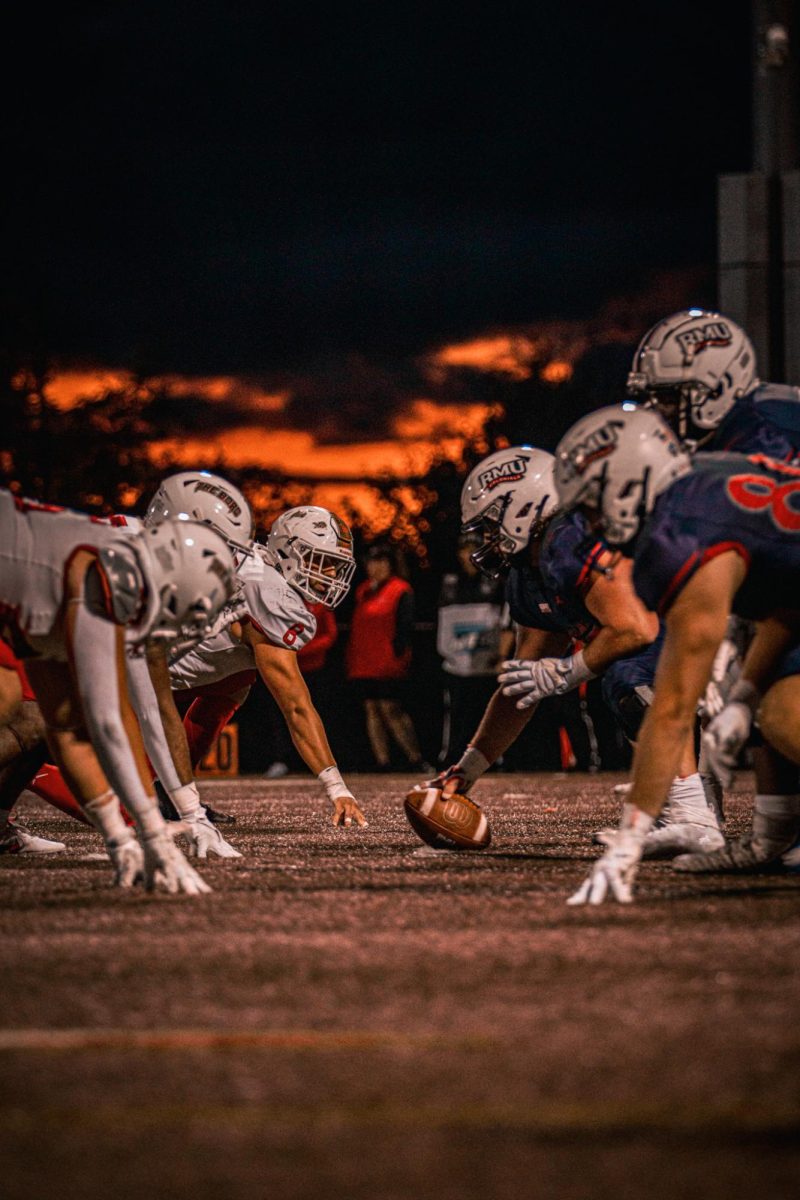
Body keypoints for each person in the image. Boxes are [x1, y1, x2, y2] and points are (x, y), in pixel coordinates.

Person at [553, 404, 800, 904]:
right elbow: (790, 601)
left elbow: (670, 711)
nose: (590, 524)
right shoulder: (705, 485)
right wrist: (745, 695)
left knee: (785, 714)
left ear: (628, 484)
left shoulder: (683, 534)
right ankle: (774, 838)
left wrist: (628, 842)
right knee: (769, 696)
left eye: (592, 505)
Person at [424, 445, 723, 858]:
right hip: (692, 631)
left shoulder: (570, 538)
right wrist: (466, 770)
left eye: (492, 522)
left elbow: (636, 629)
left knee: (630, 675)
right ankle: (692, 805)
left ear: (523, 506)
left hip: (728, 619)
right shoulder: (530, 573)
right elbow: (521, 685)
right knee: (630, 675)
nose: (487, 539)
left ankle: (694, 816)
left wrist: (568, 671)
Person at [626, 308, 800, 872]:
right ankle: (772, 835)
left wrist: (742, 683)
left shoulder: (767, 437)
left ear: (716, 388)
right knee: (758, 678)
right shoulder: (733, 435)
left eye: (672, 396)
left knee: (780, 706)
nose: (661, 413)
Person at [0, 488, 237, 893]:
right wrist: (155, 830)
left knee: (36, 715)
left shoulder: (100, 565)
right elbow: (127, 717)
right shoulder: (109, 576)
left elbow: (68, 729)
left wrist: (120, 836)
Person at [166, 506, 367, 828]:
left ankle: (169, 791)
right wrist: (337, 788)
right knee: (113, 800)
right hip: (132, 668)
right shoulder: (271, 593)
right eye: (323, 561)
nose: (330, 574)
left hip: (161, 666)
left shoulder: (258, 569)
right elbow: (297, 708)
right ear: (289, 552)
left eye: (335, 565)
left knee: (240, 678)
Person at [346, 543, 430, 773]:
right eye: (372, 562)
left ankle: (415, 758)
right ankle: (382, 761)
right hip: (364, 662)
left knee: (391, 709)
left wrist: (400, 654)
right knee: (371, 709)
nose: (376, 567)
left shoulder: (400, 589)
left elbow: (404, 627)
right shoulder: (363, 590)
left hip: (388, 661)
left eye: (382, 562)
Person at [436, 530, 508, 764]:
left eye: (474, 549)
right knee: (457, 714)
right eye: (465, 550)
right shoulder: (450, 582)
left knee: (489, 715)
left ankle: (493, 757)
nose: (469, 555)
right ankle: (452, 757)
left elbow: (507, 622)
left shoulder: (496, 581)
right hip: (457, 665)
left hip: (487, 664)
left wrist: (501, 656)